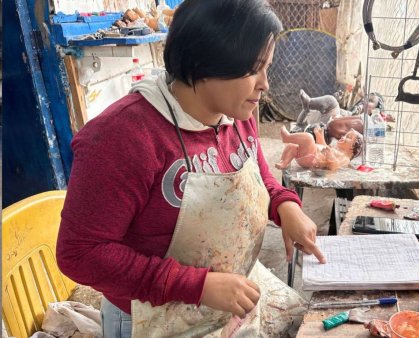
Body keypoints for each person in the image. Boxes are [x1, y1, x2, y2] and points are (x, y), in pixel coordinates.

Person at [56, 1, 326, 337]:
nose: (265, 85)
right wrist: (197, 285)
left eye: (267, 68)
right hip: (155, 318)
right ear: (204, 61)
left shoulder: (237, 114)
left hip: (231, 297)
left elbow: (255, 176)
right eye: (253, 70)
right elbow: (79, 254)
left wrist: (285, 205)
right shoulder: (122, 137)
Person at [275, 125, 363, 172]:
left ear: (353, 148)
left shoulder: (345, 158)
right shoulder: (336, 149)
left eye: (349, 137)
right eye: (345, 135)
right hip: (307, 156)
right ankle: (284, 162)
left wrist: (330, 155)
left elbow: (335, 165)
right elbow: (323, 146)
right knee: (292, 146)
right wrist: (319, 135)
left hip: (312, 158)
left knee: (308, 138)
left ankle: (287, 137)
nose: (343, 137)